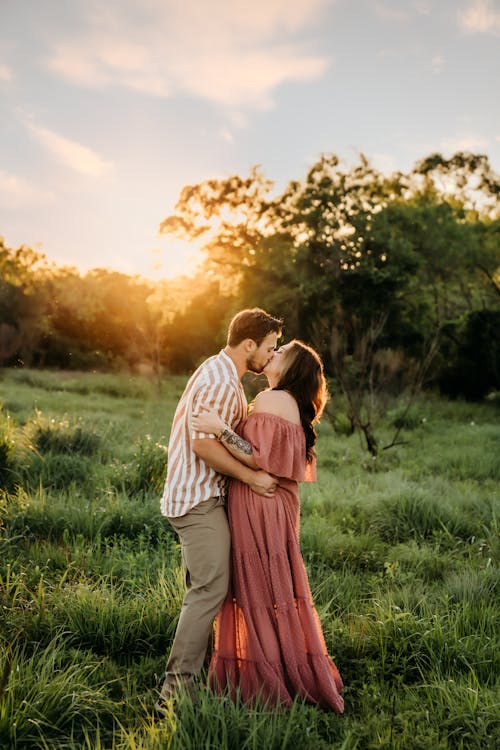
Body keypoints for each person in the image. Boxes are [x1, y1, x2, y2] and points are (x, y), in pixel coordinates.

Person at [191, 340, 344, 712]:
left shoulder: (276, 399)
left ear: (291, 368)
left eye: (281, 352)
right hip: (273, 504)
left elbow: (256, 457)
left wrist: (216, 426)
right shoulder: (287, 402)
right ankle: (281, 669)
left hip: (261, 502)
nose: (272, 355)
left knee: (258, 590)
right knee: (272, 589)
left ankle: (266, 679)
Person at [156, 308, 283, 713]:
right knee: (209, 590)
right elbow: (203, 445)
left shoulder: (220, 372)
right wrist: (252, 478)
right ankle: (174, 697)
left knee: (206, 590)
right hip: (197, 501)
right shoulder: (220, 380)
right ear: (250, 345)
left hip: (203, 497)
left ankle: (205, 676)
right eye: (270, 347)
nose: (271, 354)